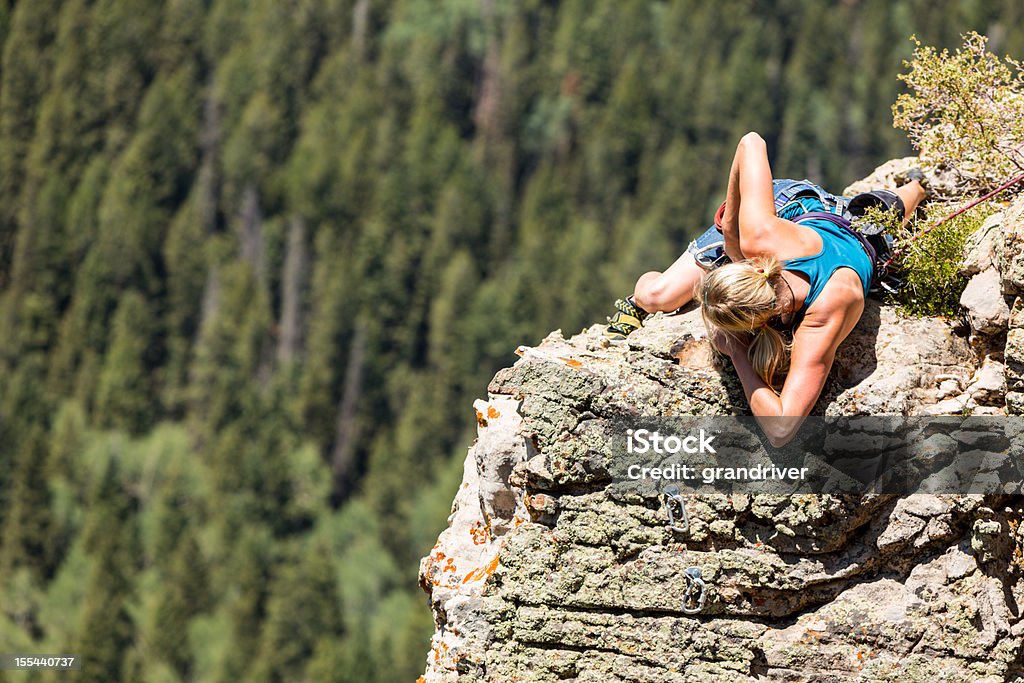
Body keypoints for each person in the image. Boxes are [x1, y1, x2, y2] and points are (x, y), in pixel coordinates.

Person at [605, 132, 927, 445]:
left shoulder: (828, 308)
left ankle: (919, 185)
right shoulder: (755, 238)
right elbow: (750, 142)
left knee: (888, 215)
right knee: (656, 296)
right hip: (796, 211)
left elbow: (782, 429)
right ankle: (636, 301)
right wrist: (731, 230)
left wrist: (737, 353)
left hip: (844, 227)